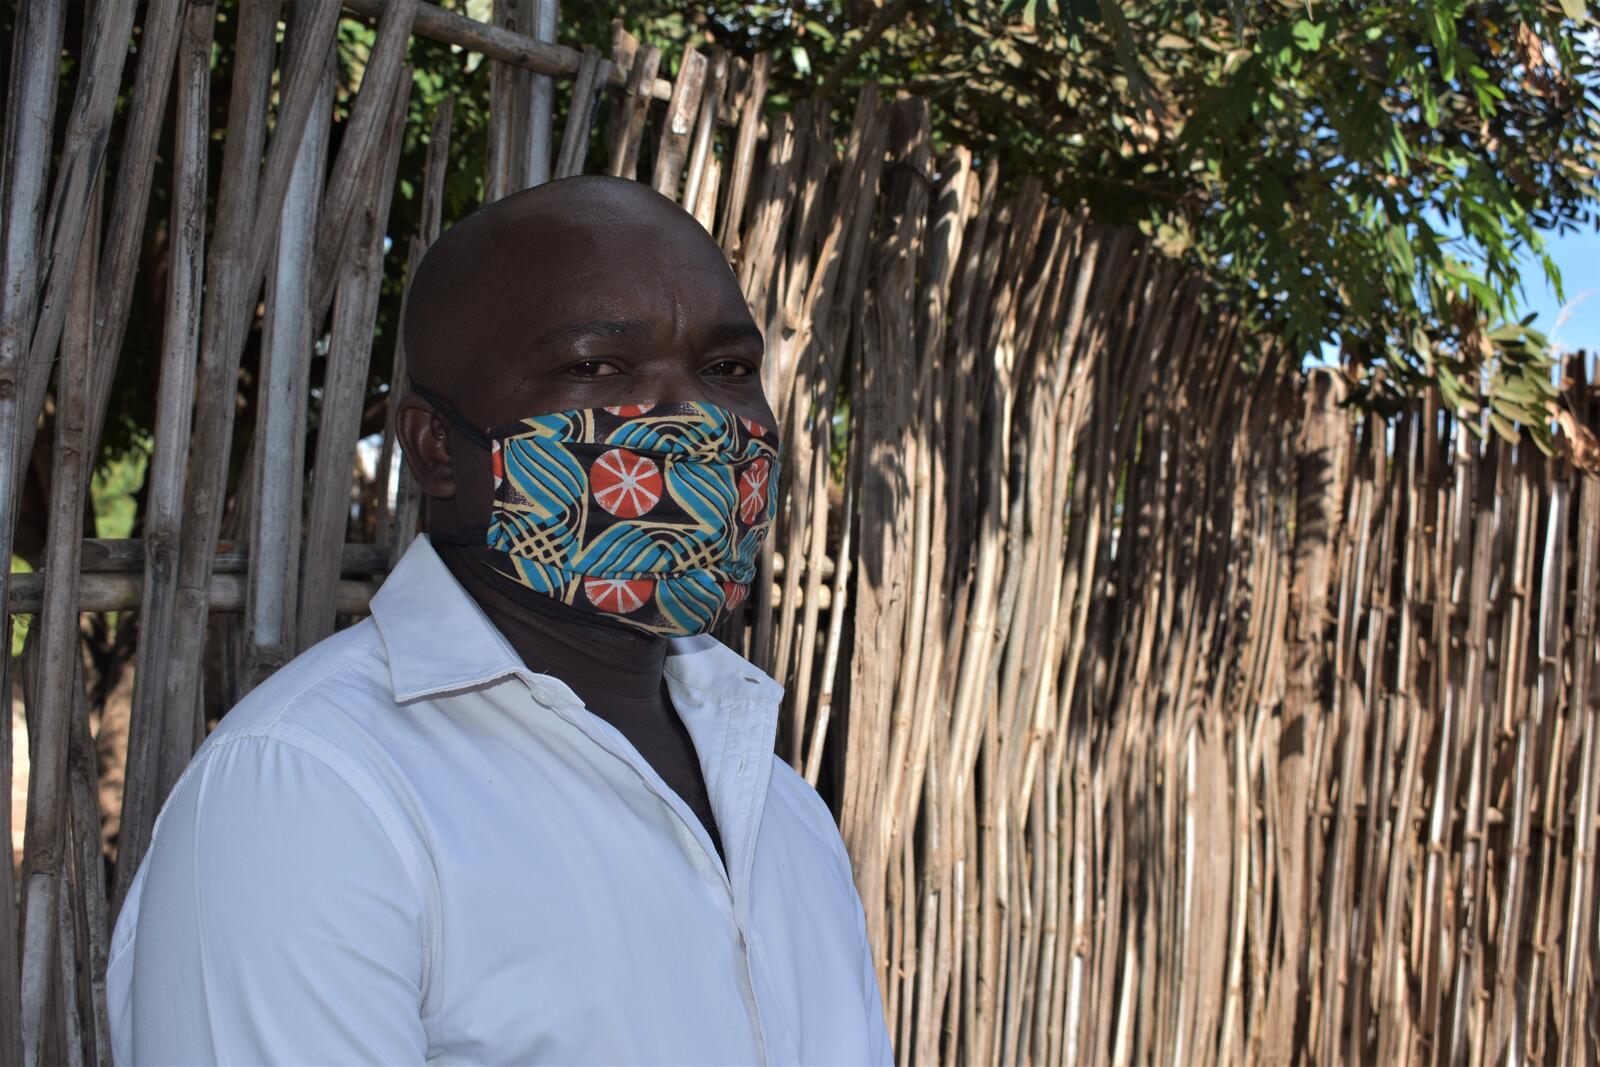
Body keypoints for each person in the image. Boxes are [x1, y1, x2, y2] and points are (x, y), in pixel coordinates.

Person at [107, 176, 892, 1065]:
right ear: (437, 446)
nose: (694, 417)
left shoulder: (781, 809)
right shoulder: (312, 794)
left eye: (727, 369)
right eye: (597, 366)